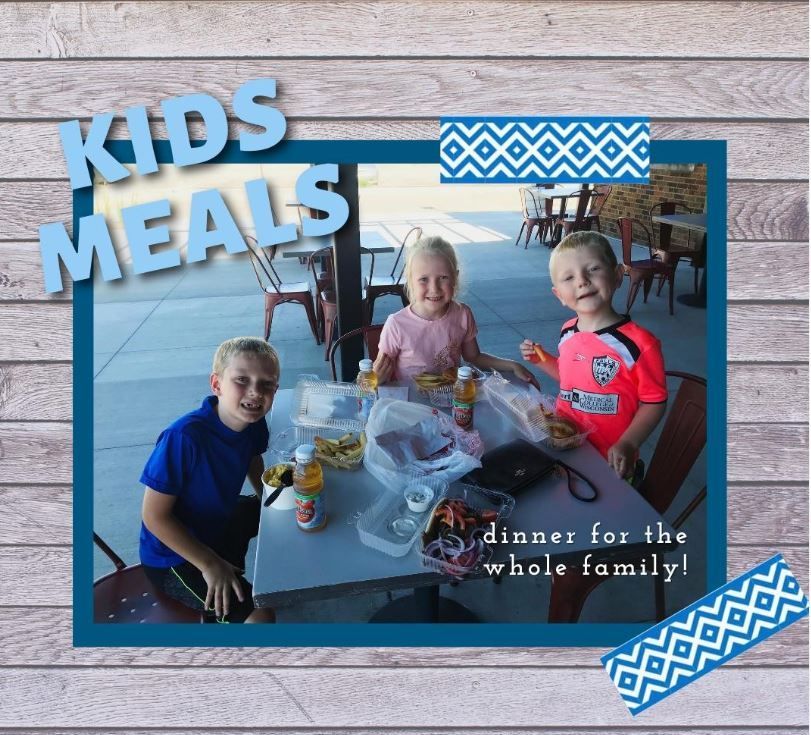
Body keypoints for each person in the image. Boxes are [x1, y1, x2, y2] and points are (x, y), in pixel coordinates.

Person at [139, 337, 279, 623]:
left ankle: (233, 570)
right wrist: (209, 563)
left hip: (216, 521)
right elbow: (154, 516)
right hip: (174, 556)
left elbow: (252, 456)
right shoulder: (184, 438)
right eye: (242, 379)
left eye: (266, 384)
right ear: (216, 385)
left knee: (290, 509)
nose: (255, 392)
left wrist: (265, 497)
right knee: (261, 616)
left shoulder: (253, 421)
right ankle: (222, 594)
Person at [519, 231, 667, 479]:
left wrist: (630, 443)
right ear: (559, 296)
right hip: (567, 447)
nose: (582, 281)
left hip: (612, 459)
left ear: (618, 275)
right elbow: (570, 378)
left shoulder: (639, 344)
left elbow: (654, 402)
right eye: (569, 277)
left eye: (593, 268)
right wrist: (540, 359)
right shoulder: (567, 332)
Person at [373, 235, 536, 387]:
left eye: (443, 277)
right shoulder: (396, 324)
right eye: (423, 279)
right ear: (410, 281)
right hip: (413, 407)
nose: (434, 288)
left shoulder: (462, 314)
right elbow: (380, 374)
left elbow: (474, 357)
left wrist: (512, 365)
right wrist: (376, 379)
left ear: (455, 278)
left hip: (454, 402)